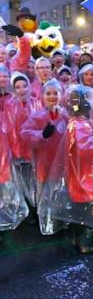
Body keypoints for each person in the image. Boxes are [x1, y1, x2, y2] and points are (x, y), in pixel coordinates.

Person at [39, 85, 93, 253]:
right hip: (83, 176)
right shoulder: (80, 125)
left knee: (80, 206)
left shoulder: (79, 123)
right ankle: (81, 238)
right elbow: (88, 152)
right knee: (84, 208)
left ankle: (76, 236)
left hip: (79, 175)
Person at [21, 79, 68, 233]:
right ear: (43, 96)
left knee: (60, 192)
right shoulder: (37, 115)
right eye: (48, 93)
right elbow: (25, 133)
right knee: (45, 195)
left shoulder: (65, 115)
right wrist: (41, 134)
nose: (52, 96)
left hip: (62, 163)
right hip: (44, 163)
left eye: (56, 93)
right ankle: (48, 225)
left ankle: (61, 222)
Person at [4, 72, 41, 224]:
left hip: (35, 150)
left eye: (24, 86)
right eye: (17, 87)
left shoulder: (36, 102)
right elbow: (10, 129)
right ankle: (28, 212)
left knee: (36, 182)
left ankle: (37, 210)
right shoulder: (10, 104)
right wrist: (16, 151)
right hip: (18, 151)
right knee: (22, 183)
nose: (22, 90)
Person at [0, 65, 28, 242]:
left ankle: (5, 220)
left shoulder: (10, 100)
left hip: (6, 149)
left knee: (9, 187)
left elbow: (11, 129)